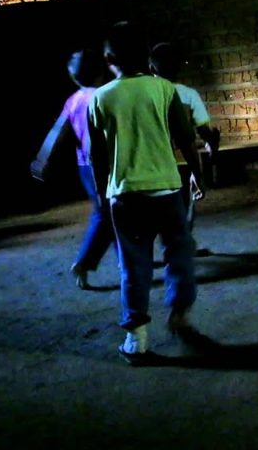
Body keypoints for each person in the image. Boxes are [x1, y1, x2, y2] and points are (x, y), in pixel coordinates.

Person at [87, 22, 209, 364]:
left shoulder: (100, 97)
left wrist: (101, 194)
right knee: (180, 251)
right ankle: (180, 312)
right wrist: (197, 176)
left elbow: (98, 156)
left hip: (125, 197)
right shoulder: (164, 90)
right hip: (167, 192)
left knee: (134, 265)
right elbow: (185, 138)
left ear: (109, 57)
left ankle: (136, 339)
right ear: (147, 57)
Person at [31, 47, 113, 289]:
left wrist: (42, 159)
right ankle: (84, 262)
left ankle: (121, 262)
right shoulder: (104, 96)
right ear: (101, 72)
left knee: (109, 213)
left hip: (84, 166)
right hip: (104, 165)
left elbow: (58, 131)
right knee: (107, 214)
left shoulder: (73, 100)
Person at [149, 42, 220, 248]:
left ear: (152, 68)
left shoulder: (146, 95)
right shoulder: (189, 94)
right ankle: (181, 245)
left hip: (153, 162)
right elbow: (203, 131)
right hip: (181, 162)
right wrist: (211, 143)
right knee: (183, 206)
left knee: (153, 210)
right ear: (179, 68)